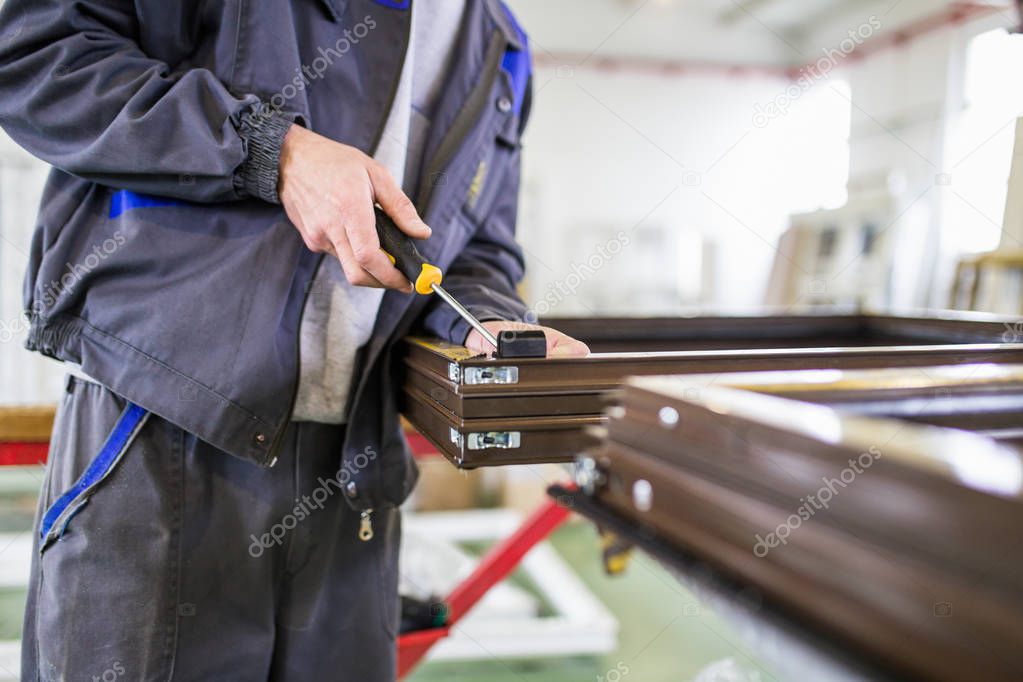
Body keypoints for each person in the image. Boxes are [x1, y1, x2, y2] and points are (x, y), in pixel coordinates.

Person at [0, 0, 588, 679]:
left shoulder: (498, 45)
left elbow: (476, 249)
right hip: (163, 430)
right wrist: (271, 150)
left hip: (353, 474)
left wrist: (485, 321)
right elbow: (35, 54)